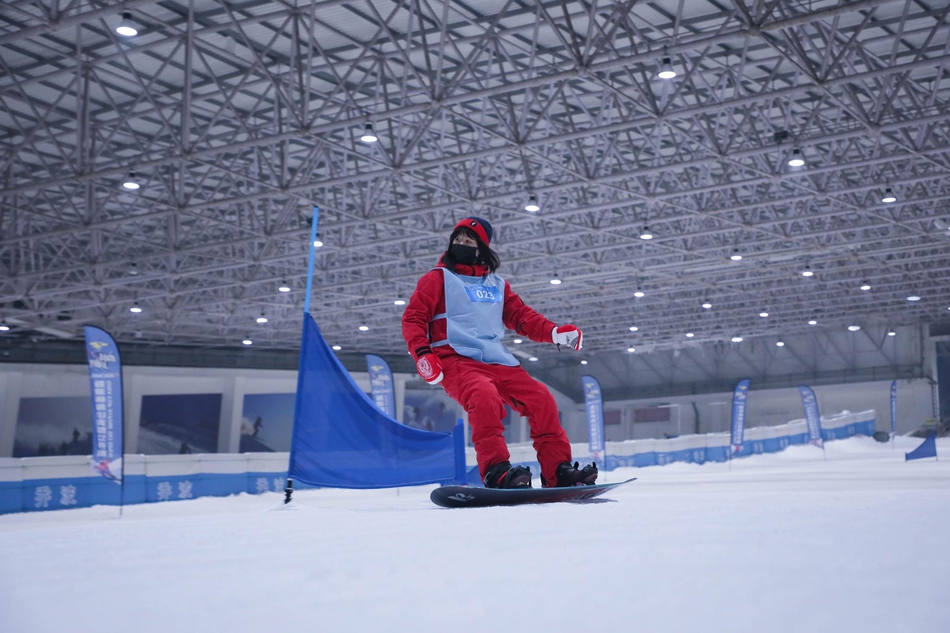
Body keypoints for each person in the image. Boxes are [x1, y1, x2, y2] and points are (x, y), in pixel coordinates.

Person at [402, 216, 598, 489]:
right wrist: (423, 354)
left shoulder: (497, 285)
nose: (461, 244)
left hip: (498, 360)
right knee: (484, 397)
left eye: (468, 241)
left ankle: (558, 472)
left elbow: (521, 317)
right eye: (457, 240)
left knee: (541, 399)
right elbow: (413, 318)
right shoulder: (438, 279)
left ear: (482, 247)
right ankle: (497, 471)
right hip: (455, 359)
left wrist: (554, 332)